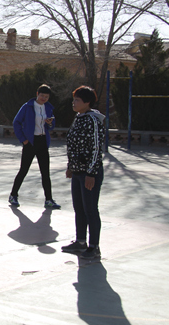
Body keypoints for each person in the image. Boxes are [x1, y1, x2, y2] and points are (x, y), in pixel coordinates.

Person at [62, 86, 105, 260]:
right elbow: (73, 145)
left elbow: (96, 148)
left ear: (87, 102)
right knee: (79, 208)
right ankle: (80, 242)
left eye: (77, 100)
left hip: (89, 174)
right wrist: (70, 166)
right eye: (74, 99)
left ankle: (94, 246)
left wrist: (91, 173)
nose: (74, 103)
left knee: (90, 209)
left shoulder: (93, 120)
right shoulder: (78, 118)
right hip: (77, 172)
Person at [9, 84, 61, 209]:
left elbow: (51, 126)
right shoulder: (27, 107)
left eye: (46, 97)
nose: (44, 98)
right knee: (24, 170)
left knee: (45, 172)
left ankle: (48, 199)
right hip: (30, 142)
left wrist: (50, 123)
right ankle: (13, 195)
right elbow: (16, 122)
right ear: (37, 94)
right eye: (42, 95)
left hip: (43, 141)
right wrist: (24, 140)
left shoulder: (48, 107)